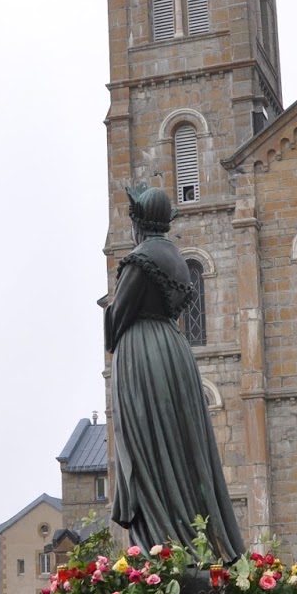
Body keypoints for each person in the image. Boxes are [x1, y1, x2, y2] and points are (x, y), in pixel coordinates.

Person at [104, 185, 244, 561]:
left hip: (144, 355)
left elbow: (116, 318)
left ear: (137, 221)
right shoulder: (178, 259)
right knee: (176, 445)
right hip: (174, 350)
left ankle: (160, 546)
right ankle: (184, 538)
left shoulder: (141, 258)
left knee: (147, 443)